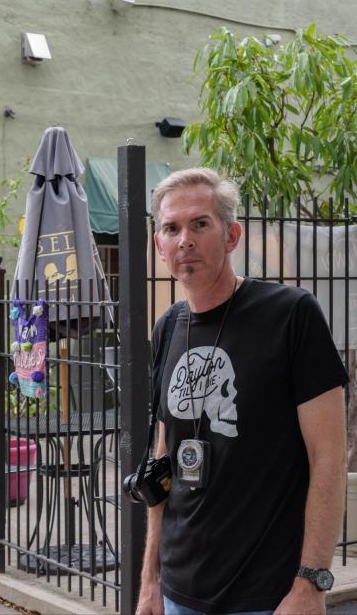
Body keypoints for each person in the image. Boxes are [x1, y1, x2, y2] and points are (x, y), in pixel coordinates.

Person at [136, 168, 349, 615]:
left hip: (270, 596)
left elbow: (329, 455)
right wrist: (150, 579)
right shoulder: (169, 327)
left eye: (200, 224)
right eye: (170, 228)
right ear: (158, 245)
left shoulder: (291, 316)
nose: (184, 240)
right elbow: (162, 459)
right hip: (179, 592)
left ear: (231, 236)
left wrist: (312, 582)